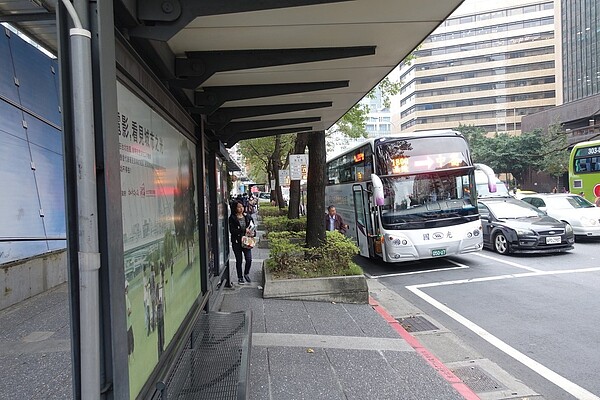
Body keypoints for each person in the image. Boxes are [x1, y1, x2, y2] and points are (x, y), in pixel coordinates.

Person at [229, 200, 255, 284]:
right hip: (237, 242)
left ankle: (246, 273)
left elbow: (253, 227)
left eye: (242, 207)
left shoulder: (247, 216)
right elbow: (232, 230)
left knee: (249, 259)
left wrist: (252, 233)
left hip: (247, 241)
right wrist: (243, 230)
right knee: (239, 260)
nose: (241, 208)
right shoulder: (232, 218)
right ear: (235, 208)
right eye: (239, 207)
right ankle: (240, 277)